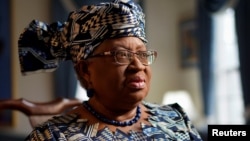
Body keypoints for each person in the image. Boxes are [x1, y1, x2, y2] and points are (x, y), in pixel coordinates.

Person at [18, 0, 203, 140]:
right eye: (121, 55)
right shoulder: (52, 136)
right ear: (85, 71)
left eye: (142, 54)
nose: (138, 66)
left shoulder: (176, 117)